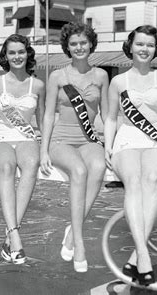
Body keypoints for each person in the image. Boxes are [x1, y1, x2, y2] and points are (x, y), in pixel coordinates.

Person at [104, 25, 157, 286]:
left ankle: (139, 255)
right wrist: (107, 146)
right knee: (133, 181)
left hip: (156, 139)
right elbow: (112, 118)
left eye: (149, 44)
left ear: (155, 49)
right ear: (131, 46)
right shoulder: (118, 81)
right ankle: (143, 255)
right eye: (140, 44)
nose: (144, 49)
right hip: (126, 138)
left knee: (151, 179)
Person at [40, 22, 109, 273]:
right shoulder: (58, 76)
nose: (79, 47)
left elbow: (106, 116)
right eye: (74, 44)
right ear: (67, 47)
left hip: (88, 140)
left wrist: (109, 147)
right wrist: (43, 150)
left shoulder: (101, 76)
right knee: (79, 171)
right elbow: (48, 115)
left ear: (91, 44)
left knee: (99, 167)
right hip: (61, 140)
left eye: (83, 42)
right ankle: (78, 242)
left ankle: (73, 228)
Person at [0, 34, 45, 265]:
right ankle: (14, 234)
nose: (17, 57)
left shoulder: (38, 85)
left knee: (31, 165)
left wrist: (46, 150)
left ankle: (10, 236)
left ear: (28, 53)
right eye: (12, 52)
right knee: (6, 166)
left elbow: (43, 122)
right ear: (5, 55)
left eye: (21, 52)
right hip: (1, 136)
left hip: (26, 136)